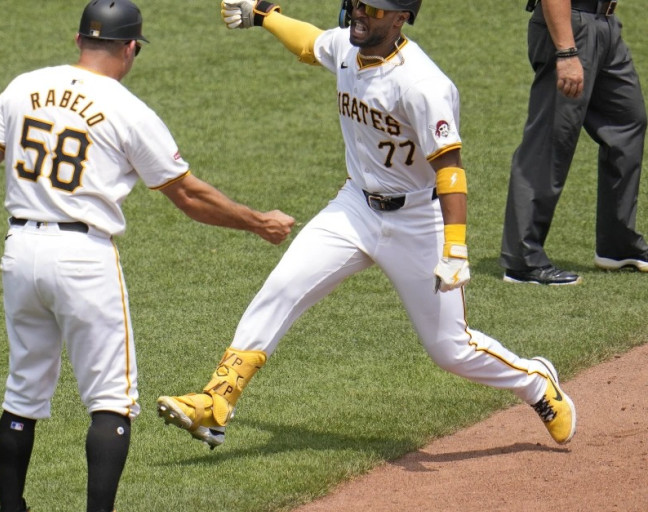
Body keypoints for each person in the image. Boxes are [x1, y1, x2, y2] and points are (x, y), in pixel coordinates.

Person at [157, 0, 577, 452]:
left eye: (373, 9)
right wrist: (265, 16)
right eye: (358, 3)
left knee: (450, 350)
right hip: (354, 208)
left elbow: (450, 170)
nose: (360, 14)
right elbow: (309, 44)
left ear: (401, 18)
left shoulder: (423, 84)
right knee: (281, 288)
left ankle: (536, 383)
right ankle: (216, 402)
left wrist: (455, 247)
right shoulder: (347, 48)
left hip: (418, 220)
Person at [0, 0, 295, 512]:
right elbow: (188, 195)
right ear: (131, 47)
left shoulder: (23, 86)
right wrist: (257, 222)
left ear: (78, 40)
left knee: (23, 391)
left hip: (20, 250)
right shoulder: (128, 109)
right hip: (83, 258)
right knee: (111, 397)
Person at [500, 0, 648, 285]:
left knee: (627, 121)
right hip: (571, 25)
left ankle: (617, 245)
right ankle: (523, 260)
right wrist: (566, 51)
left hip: (605, 23)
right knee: (551, 138)